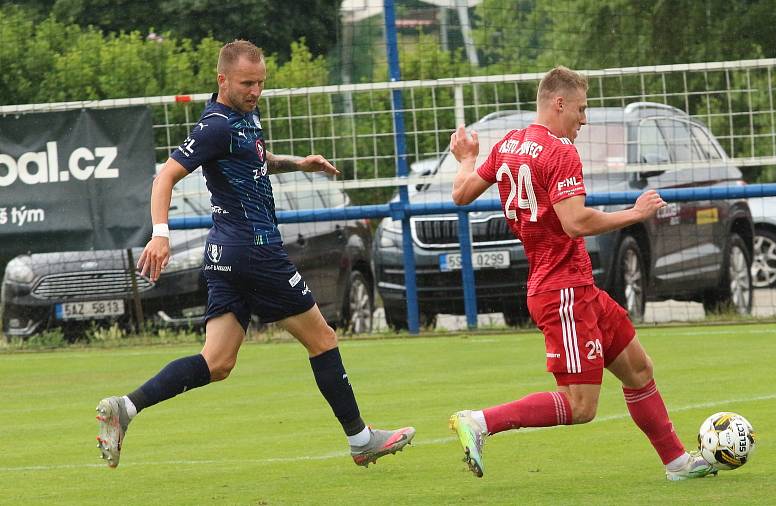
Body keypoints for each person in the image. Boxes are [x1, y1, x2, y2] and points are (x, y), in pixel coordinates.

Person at [95, 40, 415, 469]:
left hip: (225, 254)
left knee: (218, 361)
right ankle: (361, 440)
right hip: (255, 251)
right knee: (323, 340)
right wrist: (160, 235)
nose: (255, 91)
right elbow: (164, 178)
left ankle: (125, 408)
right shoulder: (215, 126)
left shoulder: (245, 116)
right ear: (222, 79)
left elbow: (256, 159)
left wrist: (299, 164)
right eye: (247, 83)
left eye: (261, 83)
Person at [447, 66, 715, 481]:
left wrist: (466, 158)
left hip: (575, 287)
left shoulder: (509, 143)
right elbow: (575, 222)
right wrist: (636, 213)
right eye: (581, 109)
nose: (584, 120)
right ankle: (480, 421)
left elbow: (461, 193)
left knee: (639, 368)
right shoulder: (559, 151)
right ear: (559, 103)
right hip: (562, 292)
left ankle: (678, 464)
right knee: (580, 406)